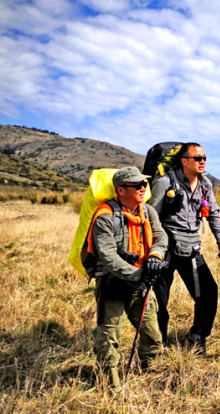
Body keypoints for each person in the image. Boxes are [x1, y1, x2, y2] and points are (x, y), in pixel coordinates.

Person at [87, 167, 168, 393]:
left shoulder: (147, 211)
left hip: (142, 284)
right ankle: (109, 387)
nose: (143, 188)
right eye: (137, 185)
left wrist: (155, 255)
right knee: (108, 337)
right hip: (113, 285)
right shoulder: (104, 216)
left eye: (144, 184)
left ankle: (152, 377)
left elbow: (161, 236)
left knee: (152, 334)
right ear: (121, 190)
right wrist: (140, 274)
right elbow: (108, 256)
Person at [149, 143, 220, 356]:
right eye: (197, 158)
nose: (202, 161)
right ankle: (159, 345)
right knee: (160, 298)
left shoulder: (205, 185)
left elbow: (213, 213)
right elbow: (150, 215)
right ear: (184, 161)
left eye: (204, 157)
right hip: (165, 247)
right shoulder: (165, 182)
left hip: (192, 247)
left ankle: (197, 337)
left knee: (208, 291)